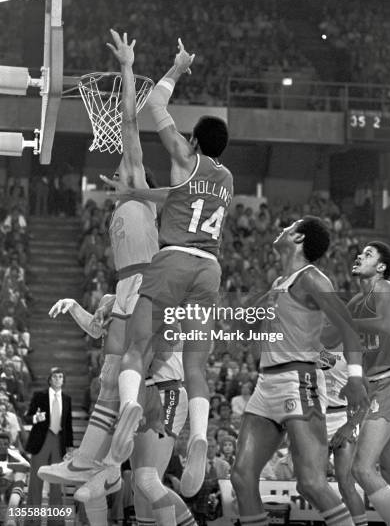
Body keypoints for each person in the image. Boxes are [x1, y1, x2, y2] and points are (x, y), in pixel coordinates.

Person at [94, 36, 233, 499]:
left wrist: (175, 69)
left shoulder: (183, 160)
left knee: (136, 349)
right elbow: (176, 200)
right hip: (210, 271)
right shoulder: (227, 179)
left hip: (170, 264)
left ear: (192, 141)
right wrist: (136, 195)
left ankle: (131, 406)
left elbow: (154, 104)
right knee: (197, 368)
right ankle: (198, 434)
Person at [37, 30, 159, 486]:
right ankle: (95, 459)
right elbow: (97, 324)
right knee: (111, 374)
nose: (121, 169)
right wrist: (76, 306)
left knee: (122, 372)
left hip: (146, 284)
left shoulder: (137, 184)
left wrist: (128, 67)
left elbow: (128, 123)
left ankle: (115, 443)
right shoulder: (122, 211)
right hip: (134, 286)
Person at [231, 216, 369, 526]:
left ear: (298, 238)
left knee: (311, 483)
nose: (281, 228)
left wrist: (356, 376)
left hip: (298, 382)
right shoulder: (279, 283)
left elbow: (348, 329)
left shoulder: (313, 279)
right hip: (266, 384)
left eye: (289, 226)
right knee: (241, 476)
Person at [40, 295, 198, 526]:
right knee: (124, 479)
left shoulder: (161, 297)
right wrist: (74, 306)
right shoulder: (116, 299)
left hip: (165, 391)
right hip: (133, 392)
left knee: (146, 480)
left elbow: (163, 352)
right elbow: (96, 329)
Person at [348, 242, 390, 526]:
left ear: (381, 268)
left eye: (368, 254)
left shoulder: (386, 289)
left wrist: (346, 323)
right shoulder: (357, 302)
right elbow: (333, 337)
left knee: (363, 468)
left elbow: (384, 326)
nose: (360, 256)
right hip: (379, 385)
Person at [319, 337, 368, 526]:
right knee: (314, 482)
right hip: (316, 420)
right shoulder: (308, 343)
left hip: (343, 417)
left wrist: (350, 426)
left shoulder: (350, 349)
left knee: (346, 483)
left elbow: (368, 397)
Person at [24, 367, 73, 524]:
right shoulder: (40, 396)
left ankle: (56, 522)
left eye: (61, 376)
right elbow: (27, 417)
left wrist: (70, 447)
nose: (58, 379)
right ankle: (32, 520)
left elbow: (68, 424)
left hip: (59, 442)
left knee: (56, 482)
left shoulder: (67, 399)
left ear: (63, 380)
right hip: (41, 441)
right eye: (55, 376)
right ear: (50, 379)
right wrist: (36, 418)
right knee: (36, 481)